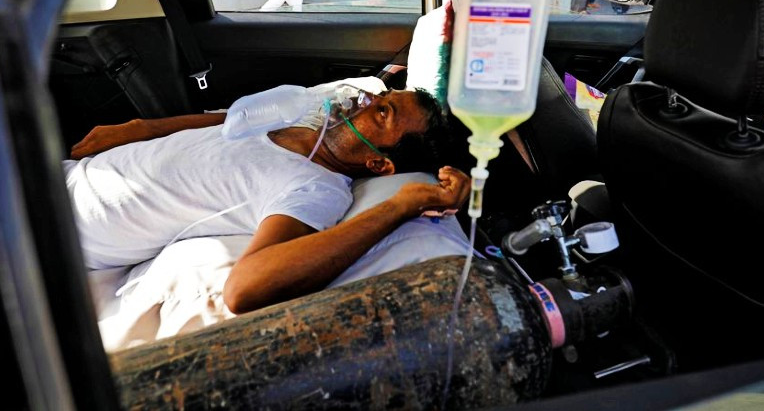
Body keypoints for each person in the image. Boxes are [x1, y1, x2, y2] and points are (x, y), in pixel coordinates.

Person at [65, 86, 470, 314]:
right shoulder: (297, 121)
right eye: (379, 96)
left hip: (57, 232)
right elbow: (224, 124)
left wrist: (400, 206)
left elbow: (245, 288)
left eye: (382, 113)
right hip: (63, 173)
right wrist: (141, 127)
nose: (363, 102)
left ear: (378, 164)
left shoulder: (314, 188)